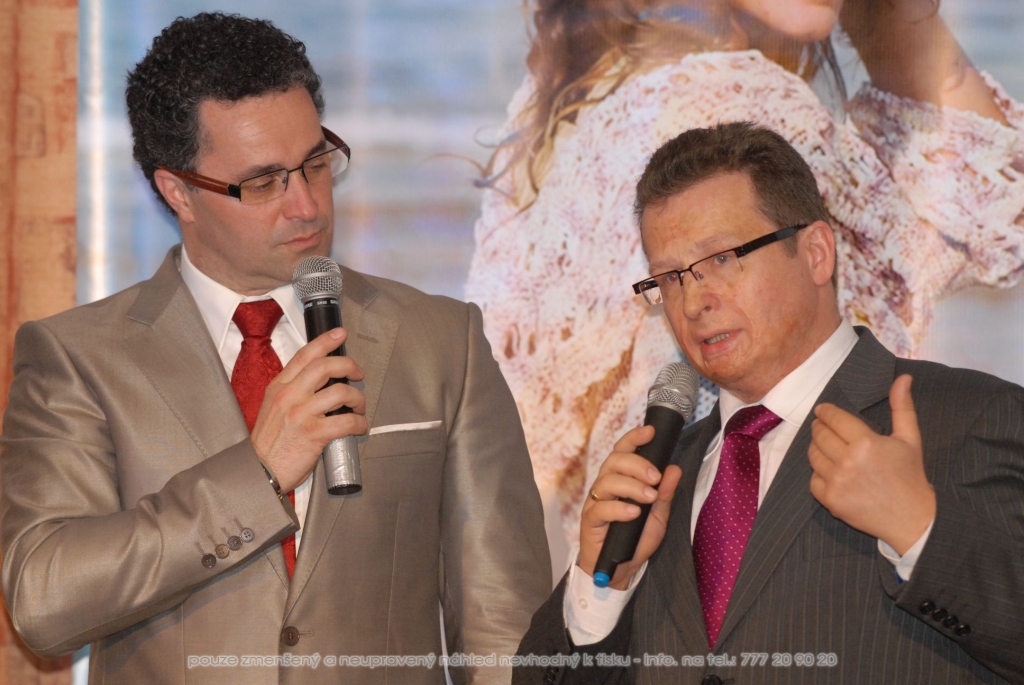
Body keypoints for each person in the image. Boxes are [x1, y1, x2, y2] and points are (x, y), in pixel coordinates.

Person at [0, 12, 551, 685]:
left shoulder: (440, 340)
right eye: (263, 183)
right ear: (178, 192)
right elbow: (45, 601)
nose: (306, 206)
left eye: (316, 163)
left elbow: (502, 623)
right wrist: (258, 474)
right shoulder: (78, 357)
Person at [465, 0, 1024, 570]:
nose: (695, 298)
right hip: (767, 578)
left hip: (646, 587)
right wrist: (886, 18)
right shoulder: (740, 111)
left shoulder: (576, 104)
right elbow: (1001, 222)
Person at [513, 121, 1024, 683]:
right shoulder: (655, 483)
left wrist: (921, 529)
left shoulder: (971, 418)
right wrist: (601, 589)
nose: (694, 301)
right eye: (671, 278)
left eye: (722, 259)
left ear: (816, 253)